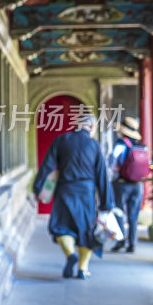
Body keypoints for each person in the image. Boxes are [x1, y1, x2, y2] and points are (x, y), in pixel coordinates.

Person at [33, 114, 113, 279]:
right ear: (91, 127)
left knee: (61, 227)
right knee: (86, 231)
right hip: (86, 194)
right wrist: (106, 203)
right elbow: (102, 176)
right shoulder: (94, 145)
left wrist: (38, 187)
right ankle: (83, 269)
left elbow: (47, 165)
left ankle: (70, 255)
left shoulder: (61, 140)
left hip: (65, 190)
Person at [108, 116, 150, 253]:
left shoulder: (121, 144)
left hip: (121, 183)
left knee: (119, 212)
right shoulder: (142, 145)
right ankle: (132, 243)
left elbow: (112, 163)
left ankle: (120, 241)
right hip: (138, 185)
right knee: (134, 215)